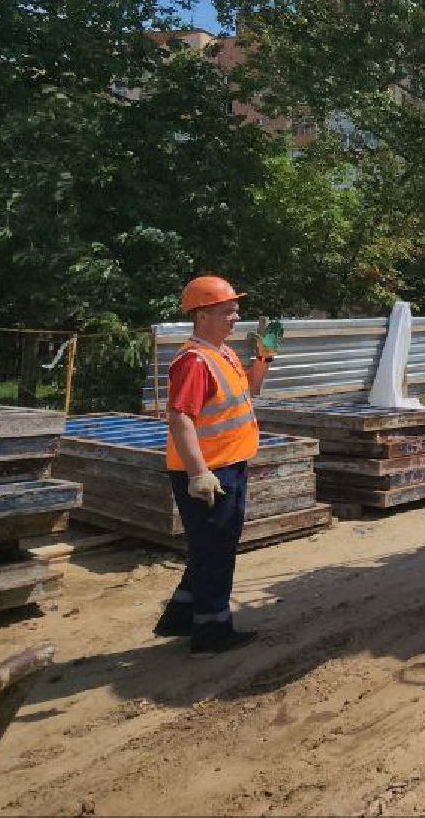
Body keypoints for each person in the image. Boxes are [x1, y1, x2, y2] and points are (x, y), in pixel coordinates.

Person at [154, 275, 283, 656]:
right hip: (209, 472)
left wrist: (264, 356)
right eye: (228, 311)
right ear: (203, 315)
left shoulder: (222, 353)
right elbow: (180, 419)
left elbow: (251, 390)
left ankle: (180, 616)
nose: (235, 317)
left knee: (209, 546)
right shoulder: (193, 362)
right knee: (216, 551)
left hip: (229, 464)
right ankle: (211, 632)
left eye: (235, 310)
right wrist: (198, 473)